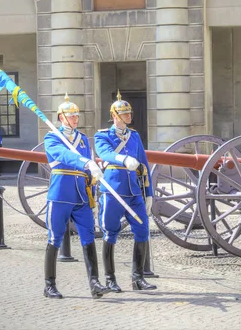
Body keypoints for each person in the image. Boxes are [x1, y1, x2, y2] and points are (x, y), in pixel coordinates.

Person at [43, 94, 110, 300]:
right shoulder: (52, 137)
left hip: (82, 195)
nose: (75, 119)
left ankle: (94, 283)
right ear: (61, 118)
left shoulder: (82, 139)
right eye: (71, 116)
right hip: (61, 193)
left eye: (76, 116)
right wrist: (85, 162)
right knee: (54, 237)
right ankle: (49, 285)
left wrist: (95, 175)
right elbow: (63, 156)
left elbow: (89, 165)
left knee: (88, 237)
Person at [94, 91, 156, 292]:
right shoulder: (102, 135)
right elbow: (104, 153)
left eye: (129, 113)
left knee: (142, 230)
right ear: (115, 116)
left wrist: (149, 192)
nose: (129, 116)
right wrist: (123, 160)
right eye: (124, 114)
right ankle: (110, 279)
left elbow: (144, 165)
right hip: (113, 190)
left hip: (134, 191)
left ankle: (137, 278)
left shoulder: (134, 136)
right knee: (110, 233)